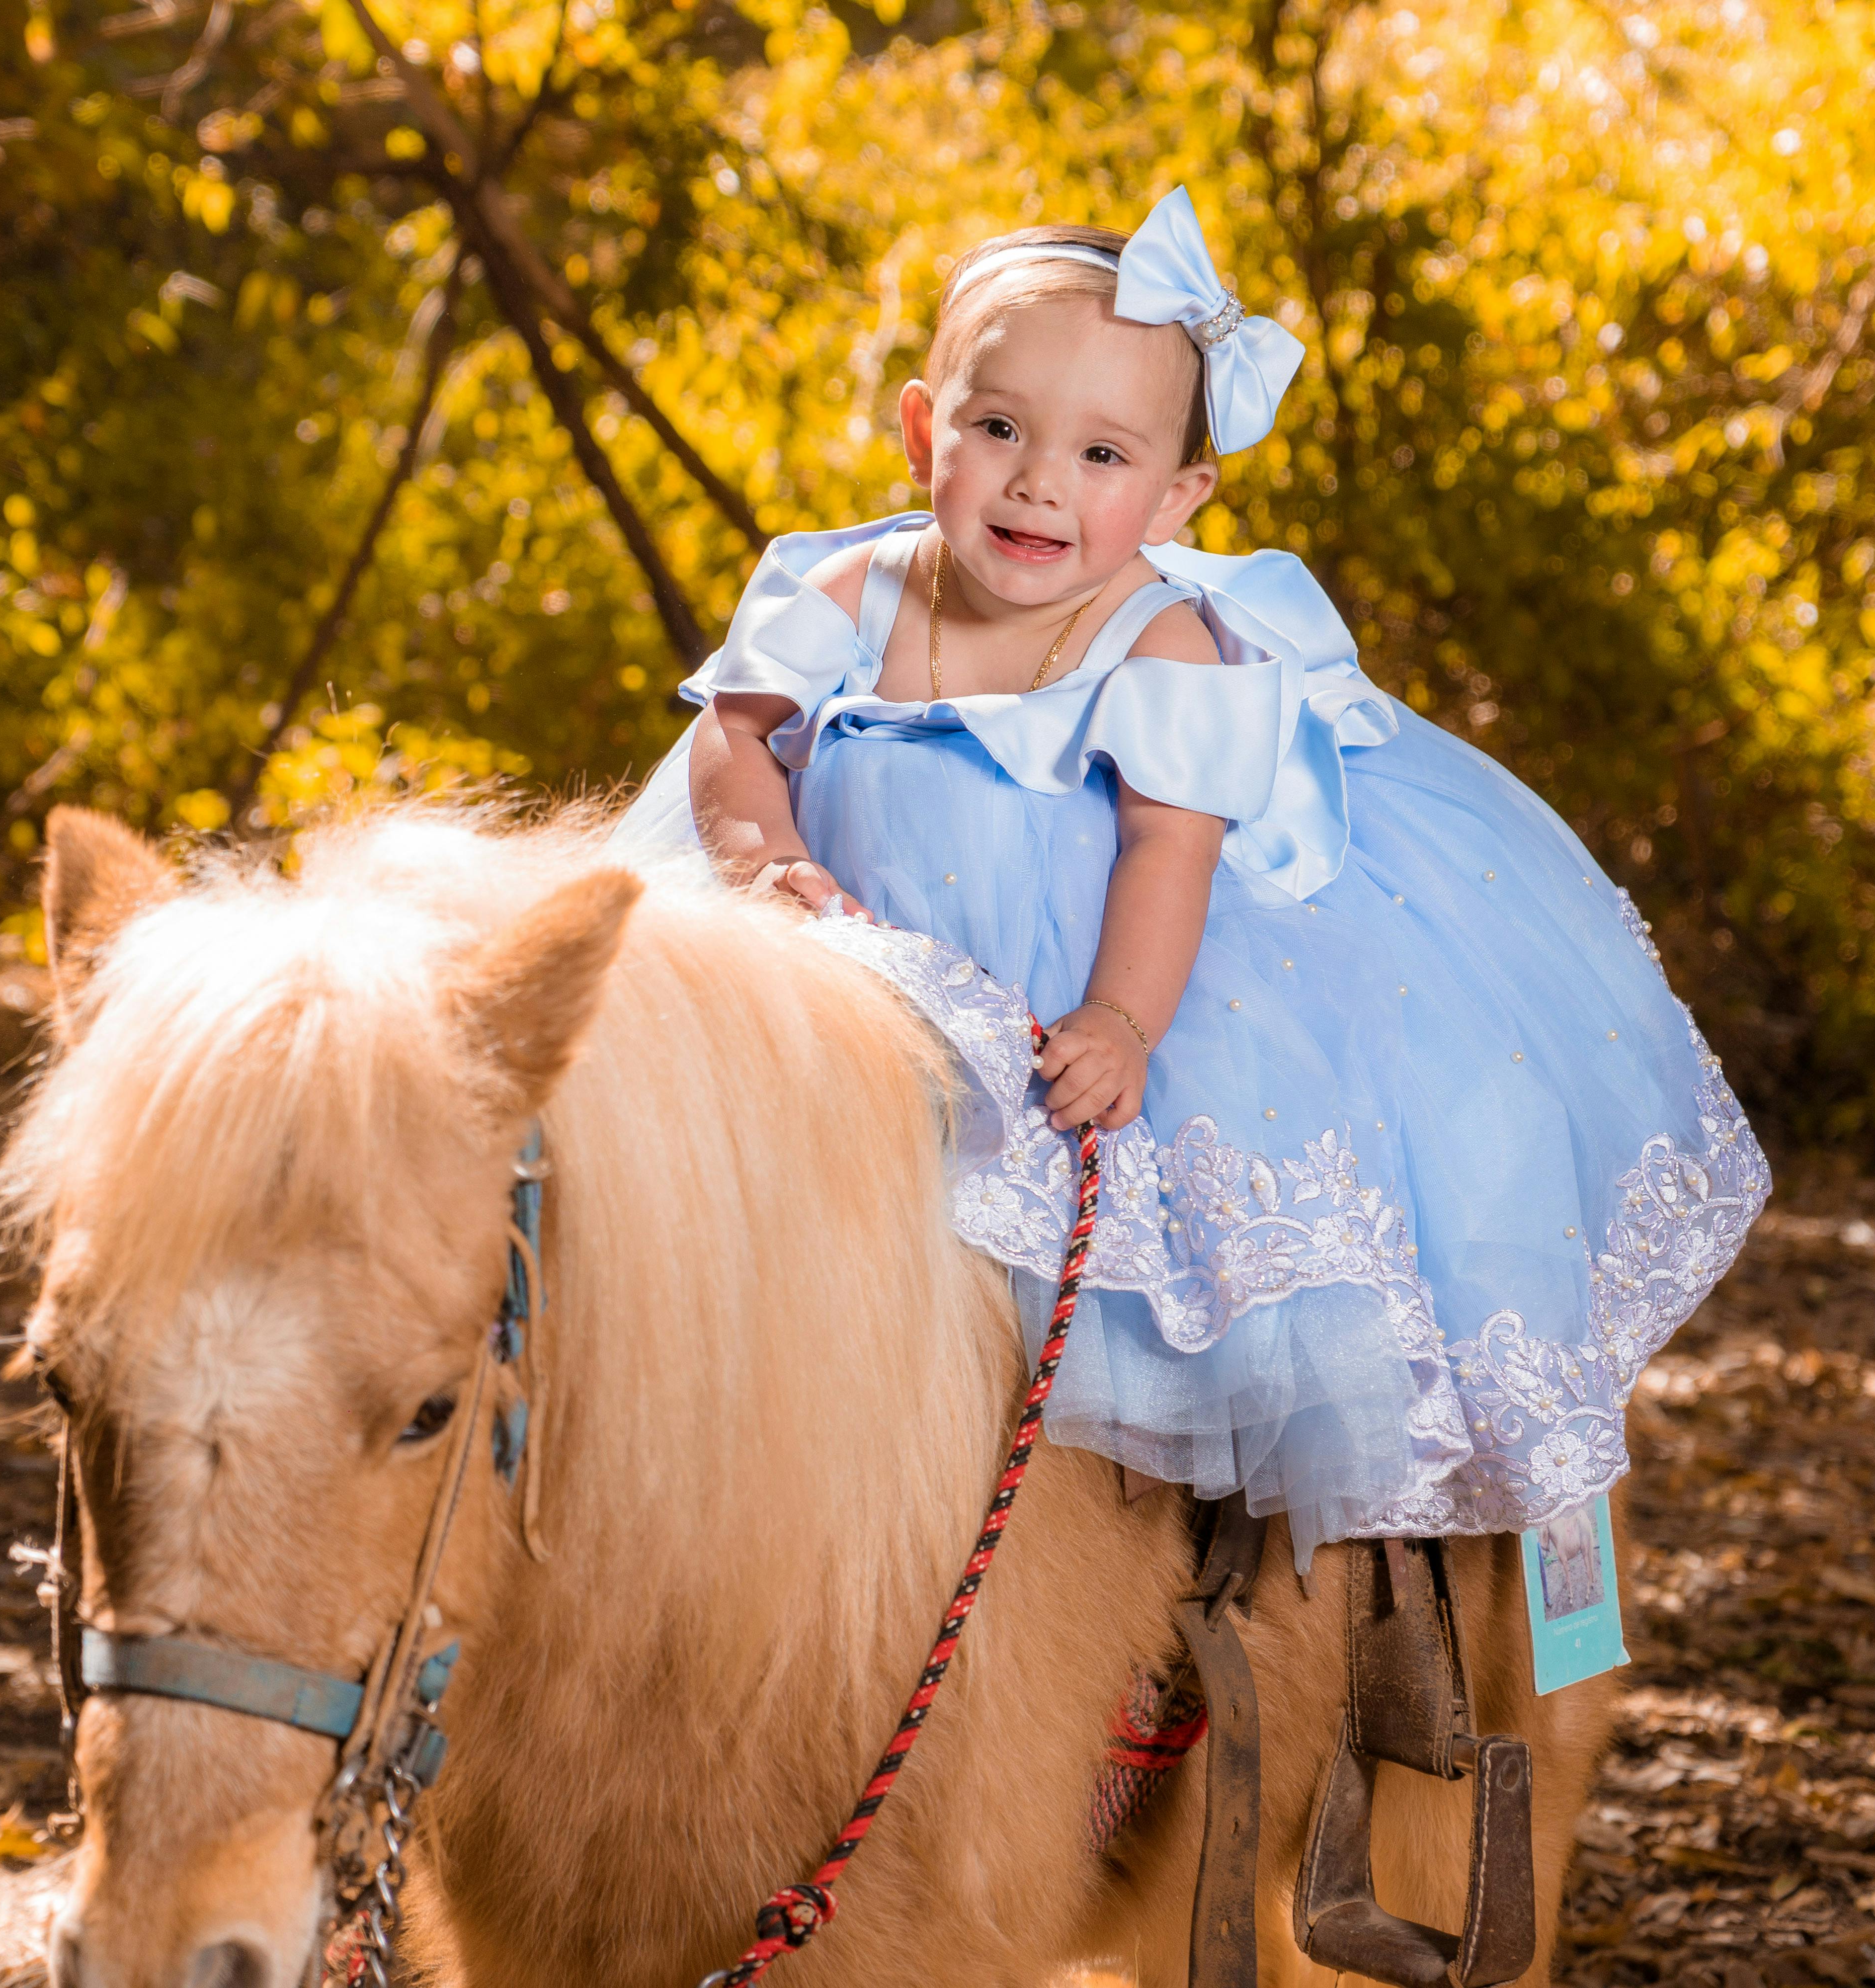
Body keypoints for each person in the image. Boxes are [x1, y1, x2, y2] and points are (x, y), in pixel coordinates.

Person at [618, 188, 1768, 1564]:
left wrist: (1122, 1020)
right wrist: (770, 866)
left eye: (1102, 453)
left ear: (1175, 498)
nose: (1040, 480)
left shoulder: (1159, 641)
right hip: (839, 973)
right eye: (1001, 431)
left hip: (1067, 983)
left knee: (1100, 1264)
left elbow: (1171, 847)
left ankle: (1169, 1561)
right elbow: (733, 739)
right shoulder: (849, 591)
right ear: (928, 430)